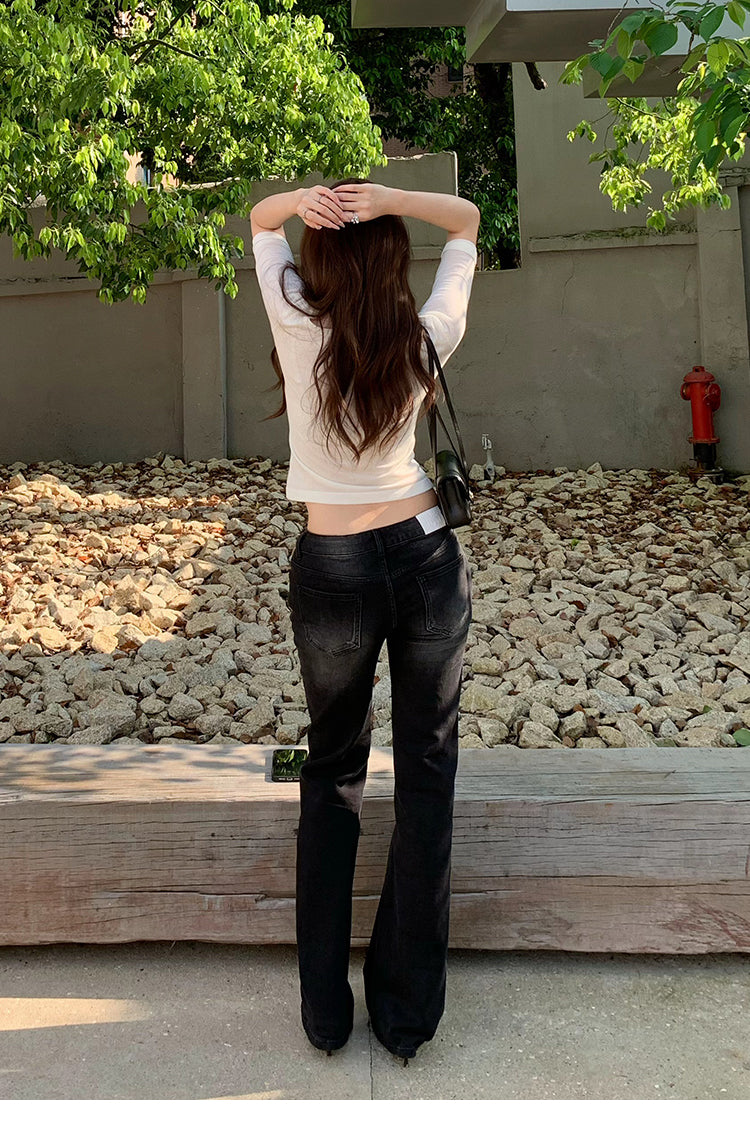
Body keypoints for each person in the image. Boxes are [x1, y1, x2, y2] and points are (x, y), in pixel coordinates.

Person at [250, 178, 480, 1063]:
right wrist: (393, 198)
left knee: (333, 767)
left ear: (318, 258)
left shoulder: (294, 318)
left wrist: (303, 202)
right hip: (425, 556)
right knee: (427, 770)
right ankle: (406, 1015)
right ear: (393, 259)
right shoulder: (426, 335)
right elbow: (466, 224)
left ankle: (323, 1010)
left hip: (333, 564)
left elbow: (259, 220)